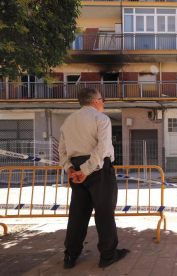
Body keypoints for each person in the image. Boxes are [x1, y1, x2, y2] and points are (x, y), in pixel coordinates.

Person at [59, 87, 129, 269]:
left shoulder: (68, 120)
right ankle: (108, 255)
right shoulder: (101, 119)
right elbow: (102, 148)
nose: (103, 103)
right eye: (102, 99)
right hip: (97, 168)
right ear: (96, 101)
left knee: (77, 214)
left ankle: (70, 256)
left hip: (75, 168)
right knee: (104, 213)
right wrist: (86, 170)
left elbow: (62, 150)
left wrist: (70, 169)